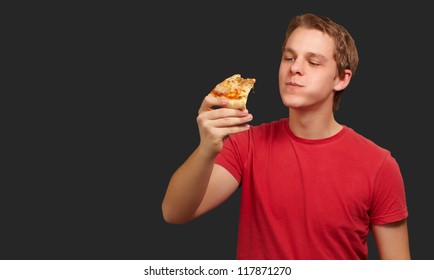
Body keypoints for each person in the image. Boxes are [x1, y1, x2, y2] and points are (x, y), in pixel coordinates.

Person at [162, 13, 410, 260]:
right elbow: (174, 213)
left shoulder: (379, 165)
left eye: (313, 62)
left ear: (341, 79)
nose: (294, 68)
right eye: (289, 57)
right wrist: (206, 148)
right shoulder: (246, 144)